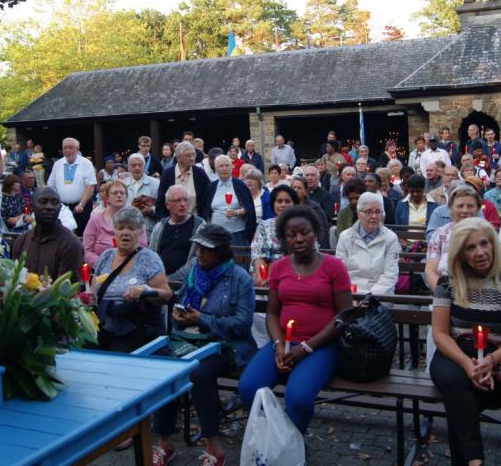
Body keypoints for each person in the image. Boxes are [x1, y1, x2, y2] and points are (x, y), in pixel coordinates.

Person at [238, 206, 353, 434]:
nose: (299, 239)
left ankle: (295, 440)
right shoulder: (279, 267)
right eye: (291, 235)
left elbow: (344, 316)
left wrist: (306, 348)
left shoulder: (333, 266)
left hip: (320, 346)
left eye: (305, 232)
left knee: (298, 398)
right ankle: (271, 436)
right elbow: (272, 313)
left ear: (316, 233)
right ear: (283, 240)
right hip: (284, 344)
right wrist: (279, 345)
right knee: (248, 388)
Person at [151, 225, 255, 466]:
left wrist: (202, 320)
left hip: (225, 345)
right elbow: (181, 299)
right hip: (188, 339)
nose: (198, 253)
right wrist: (179, 316)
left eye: (205, 249)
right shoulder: (194, 272)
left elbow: (242, 323)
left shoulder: (239, 278)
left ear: (220, 252)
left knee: (199, 372)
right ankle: (164, 442)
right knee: (164, 367)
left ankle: (213, 446)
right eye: (197, 247)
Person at [431, 218, 501, 466]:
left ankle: (471, 461)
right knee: (453, 381)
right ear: (460, 253)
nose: (480, 252)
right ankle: (475, 460)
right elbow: (441, 333)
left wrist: (490, 362)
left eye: (484, 244)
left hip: (498, 356)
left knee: (461, 402)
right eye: (470, 248)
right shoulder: (448, 282)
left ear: (494, 244)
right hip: (455, 353)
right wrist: (467, 364)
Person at [93, 206, 173, 352]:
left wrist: (145, 290)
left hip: (136, 328)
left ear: (140, 231)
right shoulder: (105, 256)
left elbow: (167, 295)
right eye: (120, 228)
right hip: (103, 326)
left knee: (116, 357)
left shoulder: (149, 258)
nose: (125, 232)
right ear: (114, 231)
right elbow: (94, 292)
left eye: (131, 228)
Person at [10, 187, 83, 279]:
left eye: (55, 203)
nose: (49, 207)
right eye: (43, 201)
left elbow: (66, 289)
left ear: (60, 208)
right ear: (32, 207)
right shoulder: (21, 241)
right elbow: (14, 280)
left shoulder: (70, 244)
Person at [336, 191, 400, 295]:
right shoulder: (345, 237)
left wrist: (371, 296)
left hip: (381, 295)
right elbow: (341, 274)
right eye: (369, 212)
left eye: (378, 211)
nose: (374, 216)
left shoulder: (391, 238)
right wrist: (356, 294)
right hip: (351, 294)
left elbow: (390, 275)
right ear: (359, 214)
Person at [425, 185, 482, 290]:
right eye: (460, 206)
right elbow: (430, 271)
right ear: (451, 209)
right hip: (445, 291)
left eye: (470, 206)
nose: (465, 210)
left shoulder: (486, 233)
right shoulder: (440, 234)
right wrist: (443, 295)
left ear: (477, 208)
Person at [84, 180, 148, 265]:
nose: (119, 195)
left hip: (131, 267)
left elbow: (143, 246)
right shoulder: (95, 220)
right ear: (107, 198)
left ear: (127, 197)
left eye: (122, 193)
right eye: (114, 193)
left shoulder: (136, 219)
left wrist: (124, 264)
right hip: (101, 269)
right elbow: (87, 250)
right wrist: (103, 263)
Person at [148, 185, 205, 281]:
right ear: (167, 205)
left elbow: (198, 259)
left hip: (188, 281)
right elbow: (151, 256)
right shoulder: (160, 227)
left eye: (185, 200)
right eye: (178, 200)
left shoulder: (200, 226)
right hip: (160, 281)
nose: (183, 204)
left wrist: (172, 279)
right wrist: (158, 278)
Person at [200, 155, 257, 246]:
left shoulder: (240, 185)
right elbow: (205, 210)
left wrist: (237, 212)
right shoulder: (211, 187)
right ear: (216, 168)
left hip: (237, 234)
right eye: (221, 166)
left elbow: (249, 208)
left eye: (227, 165)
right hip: (216, 234)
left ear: (232, 167)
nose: (224, 168)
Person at [47, 137, 97, 236]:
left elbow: (90, 185)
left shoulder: (86, 163)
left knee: (81, 235)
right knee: (61, 235)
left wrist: (81, 204)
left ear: (77, 149)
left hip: (81, 207)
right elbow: (50, 186)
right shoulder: (57, 164)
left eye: (70, 147)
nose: (67, 150)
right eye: (65, 148)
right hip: (62, 208)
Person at [251, 186, 301, 284]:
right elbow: (257, 255)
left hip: (296, 276)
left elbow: (310, 255)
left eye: (287, 201)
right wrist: (263, 278)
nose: (283, 205)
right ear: (273, 204)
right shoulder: (263, 226)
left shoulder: (303, 227)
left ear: (294, 204)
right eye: (279, 201)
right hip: (268, 277)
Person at [156, 141, 212, 219]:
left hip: (195, 224)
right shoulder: (167, 174)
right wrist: (165, 222)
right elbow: (160, 203)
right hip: (172, 224)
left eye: (193, 154)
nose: (192, 158)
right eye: (188, 155)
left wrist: (203, 220)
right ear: (178, 157)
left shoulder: (199, 173)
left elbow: (209, 197)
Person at [289, 176, 330, 248]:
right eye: (294, 188)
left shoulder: (314, 208)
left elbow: (322, 232)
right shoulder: (287, 208)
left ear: (305, 191)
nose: (296, 190)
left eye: (299, 188)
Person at [125, 152, 161, 235]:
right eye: (133, 165)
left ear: (144, 166)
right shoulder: (122, 185)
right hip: (127, 230)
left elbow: (163, 208)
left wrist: (151, 210)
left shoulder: (156, 184)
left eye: (140, 165)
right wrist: (131, 208)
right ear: (128, 167)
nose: (137, 168)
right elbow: (117, 209)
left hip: (148, 230)